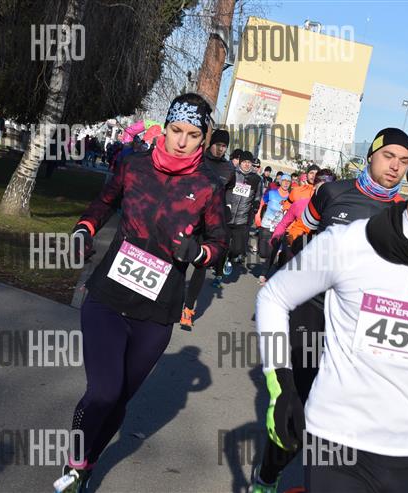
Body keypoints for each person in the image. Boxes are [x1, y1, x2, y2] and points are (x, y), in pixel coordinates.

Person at [256, 130, 408, 493]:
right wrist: (279, 381)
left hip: (407, 446)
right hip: (335, 430)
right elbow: (274, 297)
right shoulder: (349, 241)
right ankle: (268, 475)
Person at [53, 93, 227, 493]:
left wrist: (199, 253)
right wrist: (83, 230)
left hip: (156, 313)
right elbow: (103, 203)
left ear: (203, 139)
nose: (182, 141)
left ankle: (87, 465)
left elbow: (220, 243)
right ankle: (74, 462)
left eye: (193, 135)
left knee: (119, 401)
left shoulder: (208, 185)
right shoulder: (134, 165)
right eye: (177, 130)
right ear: (165, 128)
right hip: (109, 298)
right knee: (103, 392)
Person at [249, 127, 408, 492]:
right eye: (389, 156)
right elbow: (301, 231)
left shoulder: (404, 214)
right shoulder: (333, 192)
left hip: (358, 324)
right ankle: (267, 476)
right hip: (313, 312)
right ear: (371, 156)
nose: (395, 167)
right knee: (297, 405)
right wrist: (286, 277)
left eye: (404, 161)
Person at [180, 128, 235, 330]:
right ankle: (168, 298)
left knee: (200, 264)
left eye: (224, 146)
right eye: (218, 145)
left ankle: (188, 309)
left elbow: (228, 191)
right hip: (190, 218)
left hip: (210, 224)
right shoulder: (199, 159)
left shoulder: (228, 168)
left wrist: (226, 209)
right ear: (211, 144)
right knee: (179, 260)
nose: (221, 149)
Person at [216, 150, 261, 287]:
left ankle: (230, 258)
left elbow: (258, 196)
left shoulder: (256, 179)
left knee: (237, 249)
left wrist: (255, 206)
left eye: (249, 162)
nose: (247, 164)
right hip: (228, 216)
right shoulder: (233, 174)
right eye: (244, 162)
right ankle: (218, 274)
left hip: (242, 219)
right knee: (222, 246)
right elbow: (223, 190)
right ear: (240, 162)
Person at [256, 173, 292, 267]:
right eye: (284, 181)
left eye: (288, 181)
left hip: (279, 228)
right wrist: (257, 216)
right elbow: (262, 203)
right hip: (266, 225)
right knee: (263, 253)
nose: (286, 183)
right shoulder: (272, 193)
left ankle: (265, 272)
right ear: (280, 182)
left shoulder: (291, 197)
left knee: (271, 252)